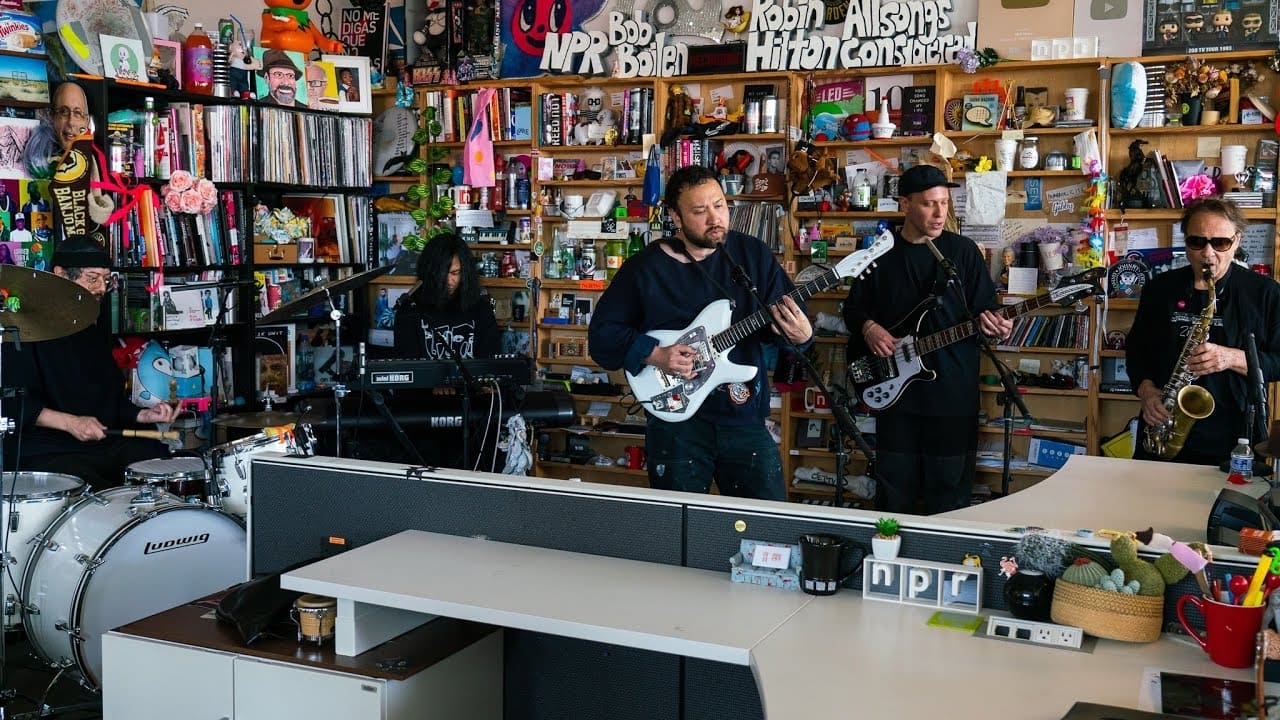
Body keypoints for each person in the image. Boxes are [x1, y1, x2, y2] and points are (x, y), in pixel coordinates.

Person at [588, 165, 812, 501]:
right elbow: (602, 336)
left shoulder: (752, 255)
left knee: (767, 524)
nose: (714, 219)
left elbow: (785, 326)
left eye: (719, 205)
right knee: (681, 530)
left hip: (744, 416)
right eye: (699, 211)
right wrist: (655, 354)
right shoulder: (646, 268)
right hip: (676, 425)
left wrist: (801, 334)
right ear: (676, 218)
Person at [843, 164, 1013, 515]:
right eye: (928, 204)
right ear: (905, 205)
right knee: (894, 490)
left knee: (950, 494)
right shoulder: (879, 254)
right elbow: (853, 309)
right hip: (895, 392)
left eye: (945, 203)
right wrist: (869, 328)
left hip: (952, 393)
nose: (939, 214)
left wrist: (996, 325)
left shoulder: (964, 252)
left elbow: (985, 310)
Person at [2, 234, 177, 488]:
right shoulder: (21, 329)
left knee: (157, 459)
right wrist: (70, 423)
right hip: (45, 449)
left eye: (106, 280)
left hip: (98, 444)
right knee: (86, 481)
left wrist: (143, 415)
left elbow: (109, 400)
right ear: (61, 275)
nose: (101, 289)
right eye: (92, 279)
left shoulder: (89, 329)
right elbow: (13, 405)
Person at [1127, 198, 1280, 465]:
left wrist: (1230, 358)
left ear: (1237, 241)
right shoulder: (1160, 288)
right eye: (1197, 242)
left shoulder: (1265, 293)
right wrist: (1146, 390)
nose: (1208, 253)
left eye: (1220, 243)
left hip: (1234, 438)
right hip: (1162, 429)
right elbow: (1137, 350)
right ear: (1185, 240)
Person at [393, 233, 501, 360]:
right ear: (429, 272)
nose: (449, 281)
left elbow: (490, 365)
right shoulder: (410, 310)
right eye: (442, 274)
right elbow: (409, 371)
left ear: (465, 273)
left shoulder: (481, 309)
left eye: (455, 273)